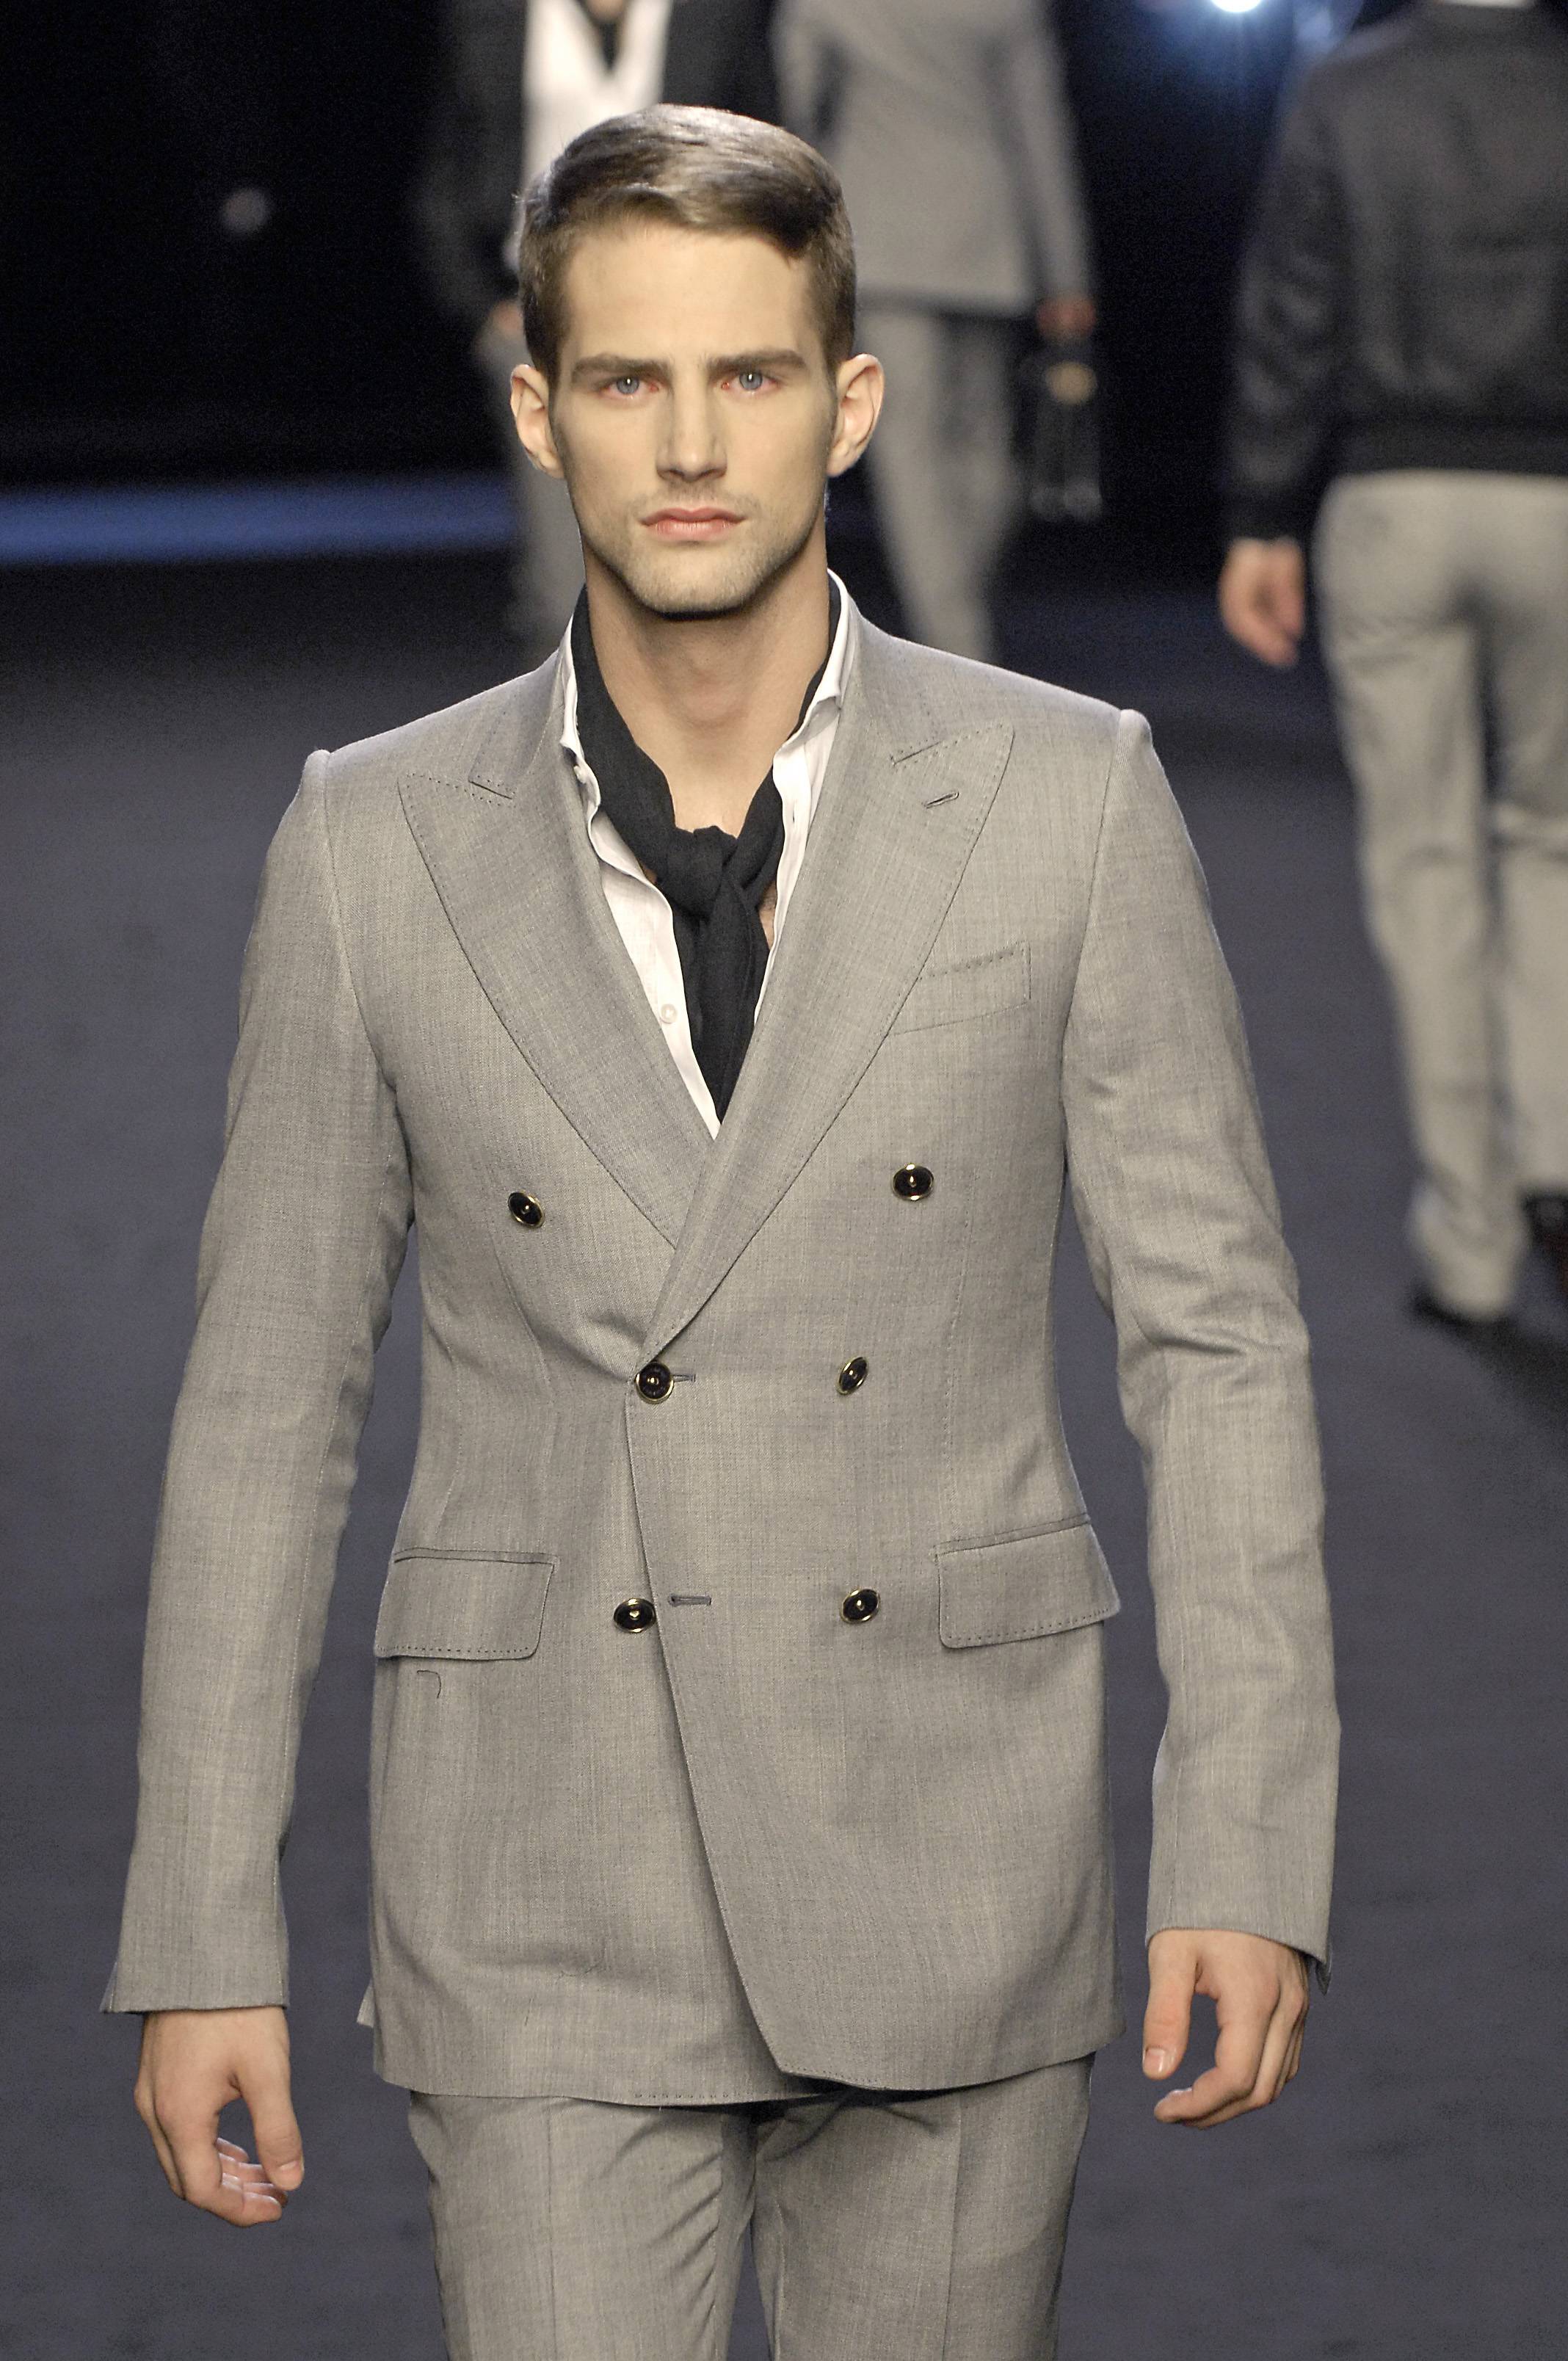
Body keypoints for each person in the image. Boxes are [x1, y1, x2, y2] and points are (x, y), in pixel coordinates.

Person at [106, 106, 1337, 2361]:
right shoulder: (373, 842)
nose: (690, 447)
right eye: (628, 380)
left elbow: (1218, 1344)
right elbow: (269, 1396)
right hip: (543, 1860)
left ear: (848, 403)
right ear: (537, 411)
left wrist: (1248, 1843)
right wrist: (200, 1927)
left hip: (949, 1833)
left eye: (750, 376)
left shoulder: (1065, 797)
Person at [1219, 0, 1568, 1327]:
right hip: (1559, 508)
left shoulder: (1347, 88)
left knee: (1425, 863)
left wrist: (1260, 512)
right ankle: (1554, 1159)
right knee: (1554, 839)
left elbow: (1290, 309)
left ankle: (1471, 1242)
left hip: (1393, 501)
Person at [413, 0, 779, 659]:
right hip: (544, 319)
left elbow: (769, 164)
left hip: (697, 312)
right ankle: (570, 717)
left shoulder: (715, 16)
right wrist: (481, 311)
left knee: (696, 538)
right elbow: (447, 176)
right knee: (564, 573)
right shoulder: (494, 18)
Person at [774, 0, 1096, 663]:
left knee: (916, 453)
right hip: (987, 236)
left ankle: (951, 643)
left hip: (883, 240)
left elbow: (794, 117)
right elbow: (1041, 130)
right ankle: (957, 636)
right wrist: (1066, 272)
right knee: (982, 446)